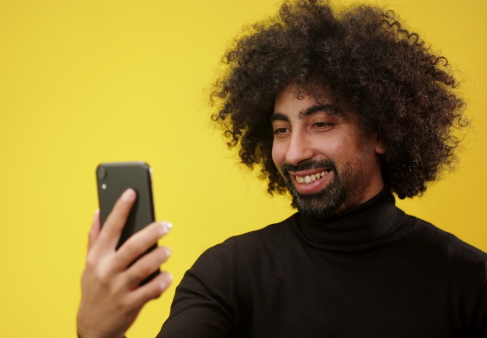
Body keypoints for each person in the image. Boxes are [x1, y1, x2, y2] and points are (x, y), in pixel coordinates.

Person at [77, 0, 487, 337]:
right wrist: (97, 333)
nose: (293, 153)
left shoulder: (469, 281)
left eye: (321, 124)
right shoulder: (229, 274)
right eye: (280, 129)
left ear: (381, 131)